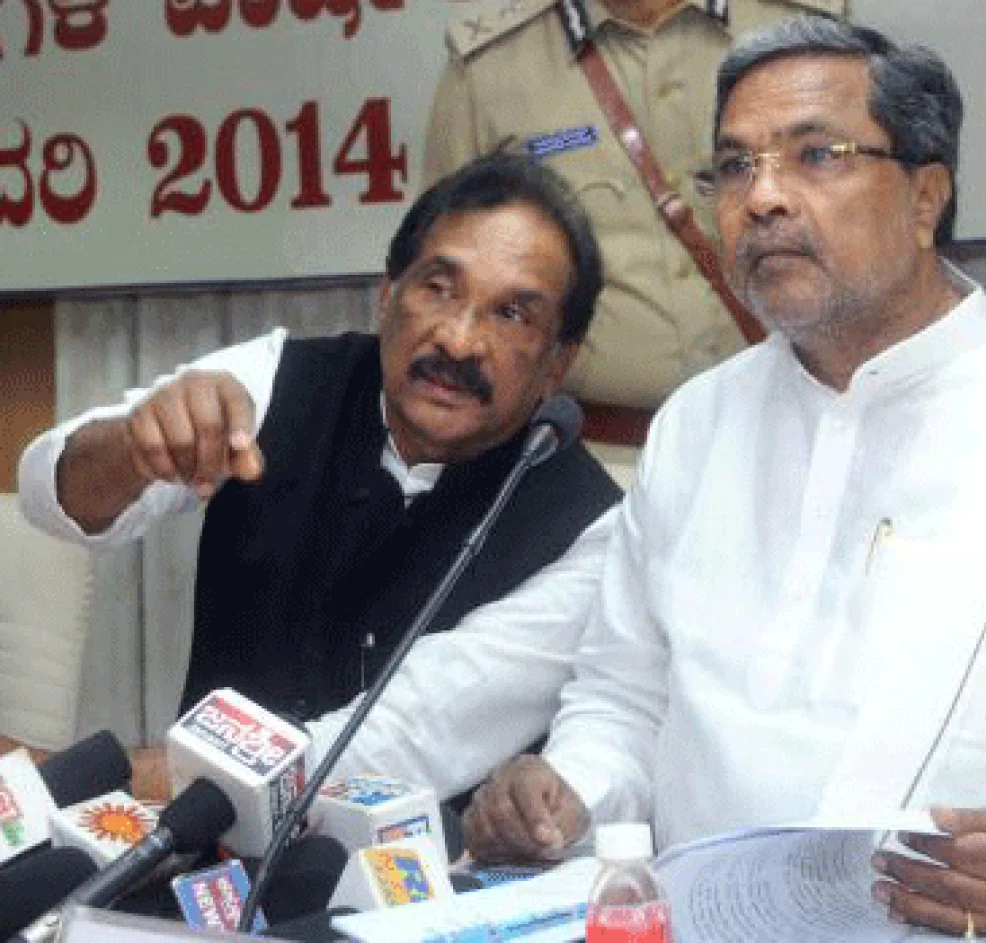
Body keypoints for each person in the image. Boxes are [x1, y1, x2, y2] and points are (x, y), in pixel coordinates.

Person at [462, 15, 986, 937]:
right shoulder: (696, 423)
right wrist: (565, 789)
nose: (762, 198)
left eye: (816, 155)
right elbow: (623, 699)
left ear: (926, 198)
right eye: (734, 166)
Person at [15, 154, 622, 795]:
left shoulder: (589, 528)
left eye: (511, 315)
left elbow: (407, 738)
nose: (458, 340)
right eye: (439, 288)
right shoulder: (280, 378)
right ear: (387, 295)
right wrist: (134, 448)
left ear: (559, 363)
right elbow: (48, 494)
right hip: (196, 849)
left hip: (417, 856)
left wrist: (110, 782)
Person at [426, 0, 845, 437]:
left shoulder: (803, 32)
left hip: (801, 435)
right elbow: (443, 277)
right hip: (594, 451)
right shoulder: (489, 69)